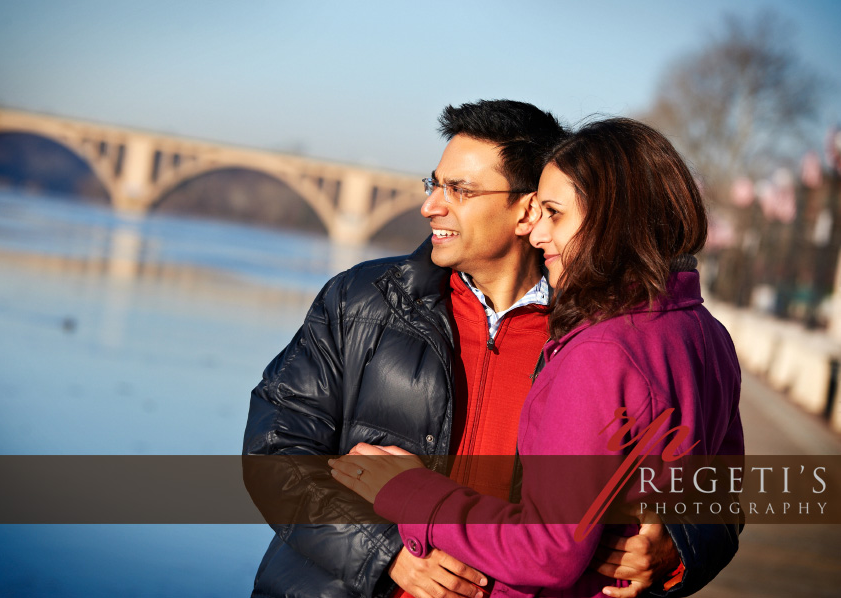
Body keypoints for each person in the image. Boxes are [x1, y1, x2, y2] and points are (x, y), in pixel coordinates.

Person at [243, 103, 736, 598]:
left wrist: (678, 544)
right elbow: (274, 455)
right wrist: (385, 554)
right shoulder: (359, 300)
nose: (431, 206)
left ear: (528, 209)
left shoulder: (594, 338)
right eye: (433, 184)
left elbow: (719, 491)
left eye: (459, 190)